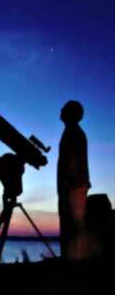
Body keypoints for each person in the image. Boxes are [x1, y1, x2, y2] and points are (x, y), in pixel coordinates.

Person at [57, 100, 91, 259]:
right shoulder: (73, 131)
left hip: (72, 187)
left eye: (64, 108)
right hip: (74, 186)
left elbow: (73, 160)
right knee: (71, 227)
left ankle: (71, 264)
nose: (61, 110)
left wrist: (67, 184)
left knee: (70, 227)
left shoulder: (73, 132)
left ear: (70, 113)